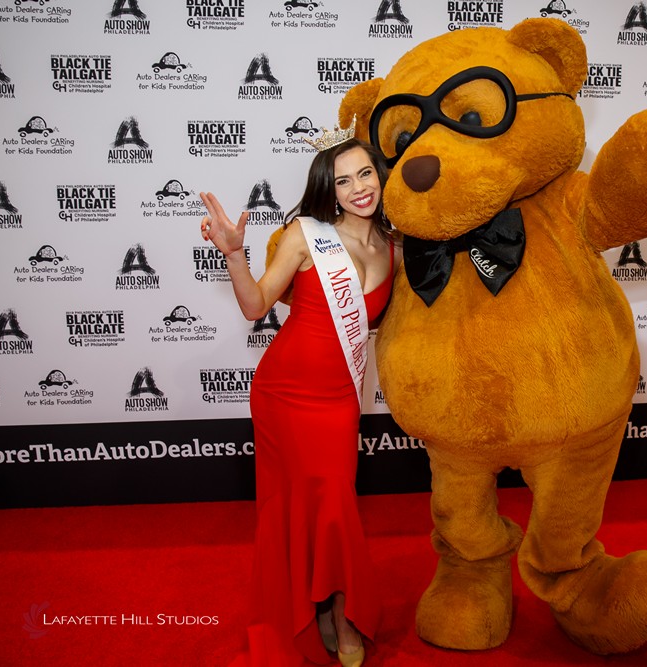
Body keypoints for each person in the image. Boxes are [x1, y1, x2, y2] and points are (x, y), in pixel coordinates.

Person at [199, 131, 399, 667]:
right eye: (343, 180)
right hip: (283, 394)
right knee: (302, 509)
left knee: (332, 506)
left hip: (338, 399)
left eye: (365, 174)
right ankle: (331, 612)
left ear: (380, 176)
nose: (359, 188)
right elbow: (256, 303)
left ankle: (333, 608)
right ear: (328, 190)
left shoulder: (395, 248)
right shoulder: (306, 236)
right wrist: (237, 255)